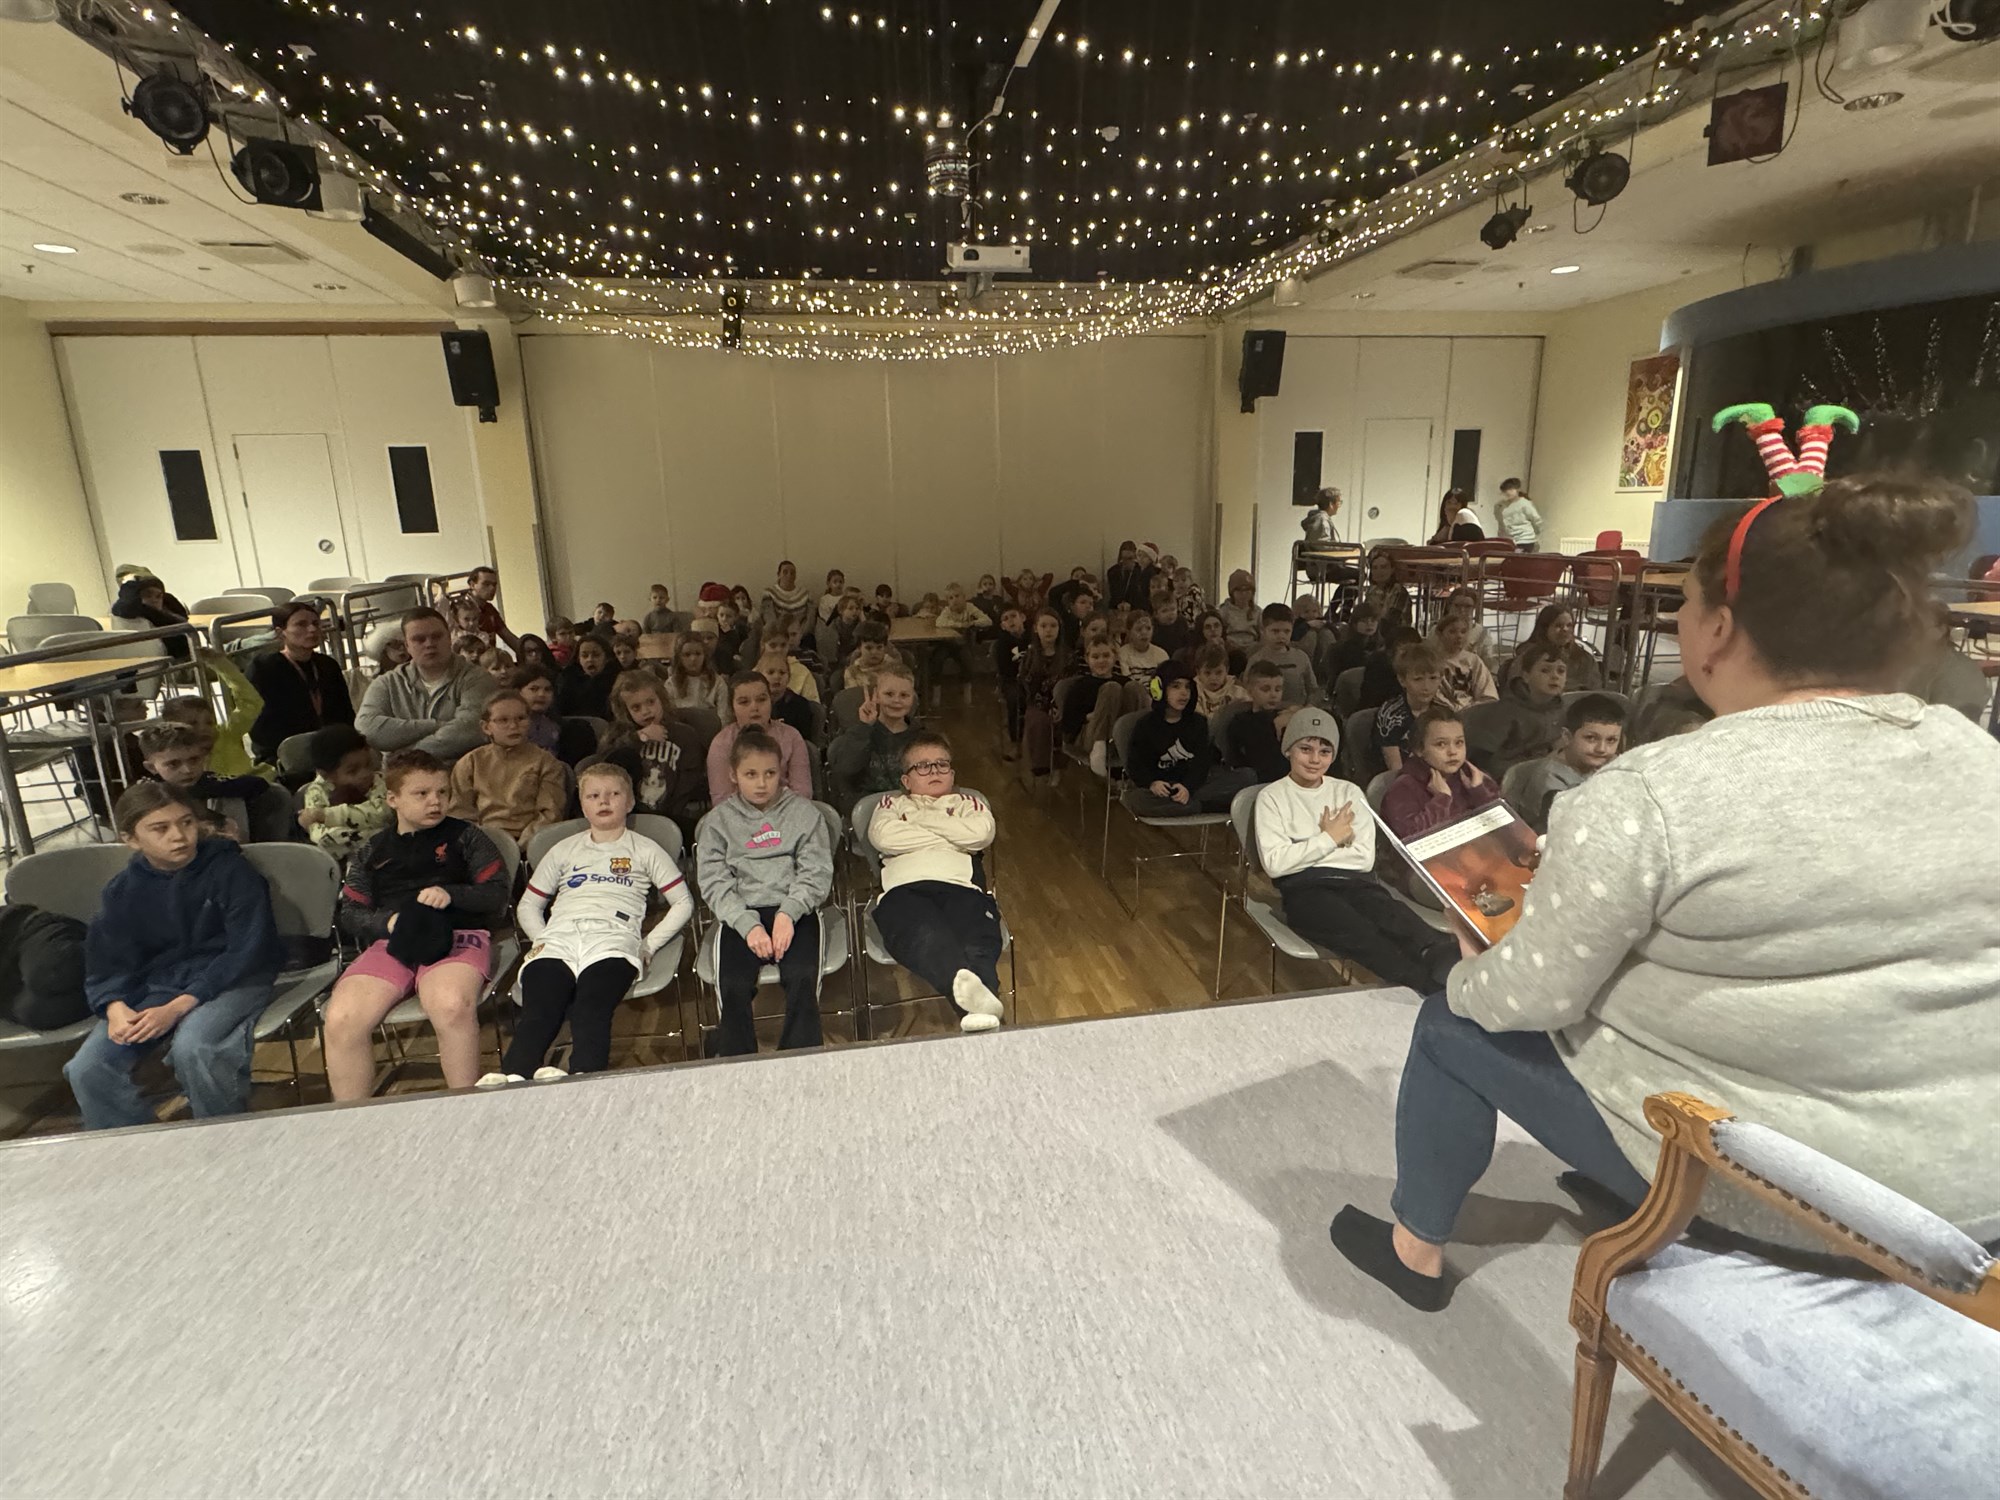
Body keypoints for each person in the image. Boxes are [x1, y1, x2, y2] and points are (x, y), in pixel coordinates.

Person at [1328, 473, 2000, 1313]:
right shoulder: (1977, 756)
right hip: (1970, 1191)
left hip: (1781, 1190)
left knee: (1450, 1022)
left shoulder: (1651, 791)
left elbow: (1531, 997)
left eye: (1684, 603)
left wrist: (1471, 973)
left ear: (1718, 629)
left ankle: (1414, 1252)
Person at [63, 783, 283, 1130]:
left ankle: (225, 1137)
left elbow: (248, 949)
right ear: (131, 839)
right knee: (87, 1068)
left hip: (234, 979)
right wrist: (114, 1007)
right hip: (159, 986)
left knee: (195, 1048)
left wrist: (179, 1006)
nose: (178, 836)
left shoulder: (231, 870)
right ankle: (140, 1145)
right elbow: (106, 961)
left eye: (186, 822)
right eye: (160, 828)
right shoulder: (122, 889)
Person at [487, 762, 694, 1082]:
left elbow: (683, 902)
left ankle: (584, 1077)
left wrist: (649, 944)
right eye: (594, 795)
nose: (604, 801)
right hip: (558, 940)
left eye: (614, 794)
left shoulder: (644, 849)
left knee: (590, 1009)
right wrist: (544, 938)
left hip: (612, 940)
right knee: (539, 1012)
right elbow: (528, 905)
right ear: (582, 804)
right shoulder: (563, 850)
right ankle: (513, 1078)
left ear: (630, 801)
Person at [322, 749, 509, 1100]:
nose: (435, 801)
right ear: (393, 799)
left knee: (451, 1005)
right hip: (393, 940)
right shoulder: (373, 850)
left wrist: (452, 894)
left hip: (458, 934)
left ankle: (466, 1104)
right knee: (341, 1018)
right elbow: (350, 913)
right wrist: (389, 921)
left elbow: (497, 894)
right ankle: (350, 1117)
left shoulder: (467, 837)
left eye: (442, 792)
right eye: (421, 793)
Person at [1253, 709, 1459, 993]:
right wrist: (1332, 838)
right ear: (1289, 749)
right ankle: (1426, 985)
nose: (1315, 759)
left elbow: (1363, 858)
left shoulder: (1348, 792)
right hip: (1304, 890)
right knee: (1360, 933)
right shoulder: (1272, 797)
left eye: (1325, 751)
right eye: (1305, 749)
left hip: (1357, 883)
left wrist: (1306, 848)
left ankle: (1447, 965)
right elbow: (1276, 864)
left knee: (1395, 917)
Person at [697, 728, 834, 1055]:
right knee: (733, 985)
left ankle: (799, 1059)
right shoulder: (717, 822)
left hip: (794, 908)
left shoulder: (804, 813)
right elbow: (714, 882)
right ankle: (739, 1062)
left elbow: (816, 871)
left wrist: (788, 913)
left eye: (770, 773)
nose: (761, 783)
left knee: (801, 977)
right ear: (733, 775)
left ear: (781, 772)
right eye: (751, 774)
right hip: (742, 913)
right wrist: (748, 925)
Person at [867, 732, 1007, 1034]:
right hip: (904, 892)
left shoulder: (969, 802)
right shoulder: (890, 803)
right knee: (927, 936)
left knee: (977, 942)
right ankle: (985, 1011)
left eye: (942, 764)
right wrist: (951, 833)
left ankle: (980, 1011)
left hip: (962, 888)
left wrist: (918, 821)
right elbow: (885, 837)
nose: (934, 771)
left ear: (952, 774)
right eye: (923, 766)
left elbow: (980, 835)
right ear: (906, 780)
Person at [355, 608, 498, 763]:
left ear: (449, 638)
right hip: (403, 776)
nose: (429, 644)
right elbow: (366, 729)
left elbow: (471, 729)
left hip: (462, 772)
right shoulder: (387, 683)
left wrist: (409, 757)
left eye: (436, 636)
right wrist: (436, 725)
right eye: (419, 639)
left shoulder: (477, 678)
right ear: (407, 645)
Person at [1121, 663, 1256, 818]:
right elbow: (1136, 764)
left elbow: (1201, 764)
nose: (1184, 693)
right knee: (1137, 800)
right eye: (1176, 686)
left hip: (1195, 785)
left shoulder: (1198, 723)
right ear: (1158, 689)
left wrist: (1187, 787)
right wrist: (1152, 783)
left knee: (1248, 777)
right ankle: (1203, 806)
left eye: (1187, 687)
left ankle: (1189, 804)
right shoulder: (1145, 725)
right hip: (1162, 789)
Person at [600, 672, 711, 844]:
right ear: (626, 712)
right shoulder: (619, 736)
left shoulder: (685, 735)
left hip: (672, 815)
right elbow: (604, 770)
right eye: (636, 708)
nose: (646, 711)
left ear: (661, 700)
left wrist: (670, 815)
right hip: (629, 817)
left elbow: (690, 778)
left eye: (651, 702)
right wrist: (638, 738)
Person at [448, 690, 568, 847]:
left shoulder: (546, 762)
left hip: (529, 843)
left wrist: (518, 848)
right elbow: (460, 812)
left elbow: (550, 814)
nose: (513, 726)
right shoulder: (470, 762)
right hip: (481, 841)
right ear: (486, 727)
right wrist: (481, 846)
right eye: (503, 720)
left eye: (521, 718)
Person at [136, 722, 292, 843]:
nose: (187, 770)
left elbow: (259, 785)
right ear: (151, 767)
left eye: (194, 760)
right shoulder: (145, 797)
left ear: (204, 756)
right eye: (173, 764)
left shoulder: (217, 785)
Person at [1502, 693, 1626, 834]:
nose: (1602, 749)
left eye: (1611, 740)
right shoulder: (1550, 783)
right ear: (1567, 737)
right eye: (1591, 738)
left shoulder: (1612, 764)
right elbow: (1565, 833)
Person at [248, 601, 355, 763]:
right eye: (301, 624)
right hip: (283, 755)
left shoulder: (327, 665)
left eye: (315, 623)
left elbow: (346, 715)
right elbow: (259, 726)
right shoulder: (264, 668)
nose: (312, 629)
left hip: (332, 751)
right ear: (280, 632)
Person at [1380, 707, 1502, 839]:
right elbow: (1412, 840)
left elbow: (1507, 827)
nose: (1453, 751)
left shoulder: (1473, 777)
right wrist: (1441, 800)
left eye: (1459, 742)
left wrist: (1481, 793)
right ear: (1419, 749)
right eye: (1441, 744)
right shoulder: (1403, 789)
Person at [706, 670, 814, 807]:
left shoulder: (792, 736)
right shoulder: (721, 744)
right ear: (732, 708)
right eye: (744, 702)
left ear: (771, 701)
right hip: (738, 816)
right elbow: (721, 801)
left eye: (761, 700)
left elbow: (803, 793)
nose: (754, 707)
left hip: (788, 813)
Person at [1468, 642, 1568, 778]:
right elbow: (1482, 758)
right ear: (1526, 676)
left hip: (1544, 771)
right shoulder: (1505, 712)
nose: (1555, 676)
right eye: (1545, 670)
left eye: (1561, 671)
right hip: (1508, 775)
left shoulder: (1560, 709)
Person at [159, 648, 263, 779]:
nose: (204, 728)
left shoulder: (226, 735)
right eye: (192, 724)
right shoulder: (175, 759)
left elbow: (251, 703)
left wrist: (221, 664)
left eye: (209, 722)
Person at [829, 663, 922, 808]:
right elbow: (845, 769)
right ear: (877, 696)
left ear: (913, 699)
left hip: (913, 808)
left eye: (904, 695)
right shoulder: (858, 733)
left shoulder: (922, 737)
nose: (897, 700)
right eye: (889, 694)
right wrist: (864, 728)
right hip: (870, 809)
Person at [297, 724, 389, 862]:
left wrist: (326, 815)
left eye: (368, 764)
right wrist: (378, 836)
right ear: (327, 775)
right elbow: (322, 838)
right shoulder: (316, 793)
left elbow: (381, 814)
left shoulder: (379, 782)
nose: (365, 774)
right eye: (352, 771)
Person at [0, 898, 89, 1035]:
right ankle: (105, 991)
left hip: (28, 929)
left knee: (48, 973)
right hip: (13, 984)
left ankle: (111, 961)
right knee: (32, 1012)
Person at [1905, 602, 1990, 721]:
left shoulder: (1959, 673)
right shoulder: (1903, 664)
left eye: (1916, 626)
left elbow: (1950, 725)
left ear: (1941, 630)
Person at [1375, 641, 1446, 774]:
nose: (1426, 686)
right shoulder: (1391, 715)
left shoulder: (1444, 711)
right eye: (1418, 679)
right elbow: (1396, 769)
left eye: (1433, 678)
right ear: (1402, 680)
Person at [1500, 604, 1603, 692]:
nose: (1565, 629)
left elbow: (1596, 693)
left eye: (1569, 625)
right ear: (1544, 629)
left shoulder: (1585, 659)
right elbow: (1515, 692)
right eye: (1558, 625)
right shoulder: (1527, 657)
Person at [1017, 607, 1067, 783]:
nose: (1048, 630)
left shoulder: (1068, 655)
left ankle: (1059, 766)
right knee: (1039, 721)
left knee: (1063, 723)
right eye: (1044, 626)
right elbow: (1027, 686)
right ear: (1036, 629)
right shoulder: (1030, 656)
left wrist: (1059, 706)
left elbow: (1071, 685)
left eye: (1053, 626)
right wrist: (1046, 706)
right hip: (1037, 703)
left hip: (1062, 704)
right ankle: (1042, 767)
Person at [1245, 603, 1321, 706]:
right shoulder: (1256, 659)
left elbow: (1313, 691)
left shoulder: (1301, 657)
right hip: (1265, 711)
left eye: (1286, 631)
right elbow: (1247, 693)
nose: (1281, 636)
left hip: (1297, 711)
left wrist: (1307, 707)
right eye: (1275, 631)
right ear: (1263, 630)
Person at [108, 573, 192, 659]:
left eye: (158, 596)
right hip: (167, 661)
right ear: (137, 597)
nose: (154, 600)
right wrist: (129, 584)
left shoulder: (169, 611)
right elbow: (127, 606)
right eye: (148, 595)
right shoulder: (136, 610)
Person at [1432, 612, 1498, 711]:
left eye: (1463, 632)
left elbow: (1488, 694)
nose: (1459, 636)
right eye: (1452, 632)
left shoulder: (1473, 661)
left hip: (1471, 712)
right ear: (1440, 634)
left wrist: (1471, 710)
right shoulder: (1431, 661)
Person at [756, 644, 818, 741]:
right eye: (771, 672)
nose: (777, 677)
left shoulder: (800, 705)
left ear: (789, 677)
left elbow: (804, 740)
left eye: (782, 673)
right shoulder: (754, 704)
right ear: (759, 676)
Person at [993, 604, 1031, 755]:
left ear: (1023, 617)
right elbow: (1004, 669)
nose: (1010, 620)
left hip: (1033, 677)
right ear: (1002, 626)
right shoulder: (1002, 643)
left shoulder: (1033, 638)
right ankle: (1016, 741)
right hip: (1011, 679)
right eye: (1006, 619)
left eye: (1013, 616)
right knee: (1015, 700)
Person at [555, 633, 620, 720]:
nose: (590, 659)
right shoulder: (567, 678)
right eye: (584, 656)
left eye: (596, 655)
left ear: (606, 657)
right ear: (578, 658)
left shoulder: (617, 679)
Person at [665, 633, 729, 717]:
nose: (693, 659)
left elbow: (723, 714)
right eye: (687, 655)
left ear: (704, 656)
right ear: (679, 658)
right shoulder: (671, 684)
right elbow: (669, 714)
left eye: (698, 654)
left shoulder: (717, 682)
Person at [1324, 602, 1386, 689]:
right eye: (1364, 621)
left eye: (1373, 620)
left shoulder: (1383, 648)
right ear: (1354, 624)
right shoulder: (1340, 650)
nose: (1369, 624)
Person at [465, 566, 521, 651]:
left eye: (494, 585)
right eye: (486, 584)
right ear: (472, 585)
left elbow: (508, 636)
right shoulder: (461, 609)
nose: (492, 588)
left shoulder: (489, 609)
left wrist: (526, 651)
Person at [759, 560, 814, 642]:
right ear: (778, 575)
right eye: (785, 572)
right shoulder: (769, 593)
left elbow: (810, 620)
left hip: (801, 637)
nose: (789, 575)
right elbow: (769, 619)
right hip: (776, 637)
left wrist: (798, 635)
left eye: (792, 573)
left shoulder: (805, 594)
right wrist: (780, 635)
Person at [841, 621, 904, 690]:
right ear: (859, 647)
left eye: (879, 647)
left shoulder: (895, 668)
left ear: (885, 647)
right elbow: (854, 695)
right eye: (868, 648)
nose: (874, 652)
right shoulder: (852, 672)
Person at [1361, 553, 1414, 633]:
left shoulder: (1399, 591)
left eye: (1383, 567)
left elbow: (1392, 621)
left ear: (1392, 570)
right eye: (1375, 568)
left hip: (1397, 635)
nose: (1379, 571)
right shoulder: (1371, 590)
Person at [815, 591, 866, 673]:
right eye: (851, 608)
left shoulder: (860, 624)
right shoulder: (835, 625)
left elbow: (867, 638)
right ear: (841, 611)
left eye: (857, 608)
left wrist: (863, 619)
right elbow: (832, 650)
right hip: (839, 662)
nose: (855, 611)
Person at [1192, 644, 1246, 718]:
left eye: (1219, 672)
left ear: (1227, 670)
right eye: (1207, 673)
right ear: (1198, 672)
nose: (1213, 678)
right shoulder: (1192, 693)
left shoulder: (1238, 693)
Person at [1103, 540, 1155, 612]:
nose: (1126, 562)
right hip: (1116, 608)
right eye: (1123, 558)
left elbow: (1144, 596)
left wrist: (1131, 605)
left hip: (1136, 608)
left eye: (1130, 558)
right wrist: (1118, 604)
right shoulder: (1113, 572)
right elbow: (1113, 594)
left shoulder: (1142, 571)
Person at [1116, 609, 1169, 679]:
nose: (1144, 633)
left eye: (1148, 628)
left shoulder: (1161, 654)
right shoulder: (1122, 654)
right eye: (1139, 629)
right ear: (1129, 632)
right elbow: (1125, 681)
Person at [1493, 478, 1542, 552]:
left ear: (1518, 489)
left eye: (1511, 489)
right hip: (1508, 539)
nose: (1508, 492)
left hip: (1525, 539)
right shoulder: (1500, 505)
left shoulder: (1525, 503)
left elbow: (1536, 520)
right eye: (1506, 490)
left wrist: (1534, 534)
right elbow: (1500, 523)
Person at [1219, 569, 1262, 652]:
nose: (1244, 594)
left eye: (1247, 590)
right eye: (1239, 590)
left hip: (1252, 650)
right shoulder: (1224, 611)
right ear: (1232, 592)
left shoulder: (1258, 612)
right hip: (1230, 650)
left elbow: (1263, 636)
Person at [710, 598, 750, 675]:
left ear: (736, 617)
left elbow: (742, 645)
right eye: (721, 615)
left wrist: (730, 633)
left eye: (728, 616)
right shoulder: (714, 629)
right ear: (717, 615)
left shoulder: (741, 630)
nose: (724, 619)